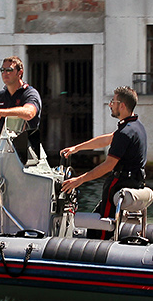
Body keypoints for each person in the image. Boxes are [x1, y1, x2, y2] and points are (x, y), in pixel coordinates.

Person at [60, 87, 147, 227]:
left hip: (119, 184)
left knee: (103, 223)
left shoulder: (125, 133)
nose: (110, 105)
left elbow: (108, 165)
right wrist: (77, 148)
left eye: (113, 101)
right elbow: (108, 139)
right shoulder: (135, 126)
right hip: (135, 180)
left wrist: (79, 180)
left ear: (122, 105)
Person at [0, 56, 42, 162]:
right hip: (1, 154)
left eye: (9, 70)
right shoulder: (0, 96)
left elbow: (29, 113)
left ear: (20, 73)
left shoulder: (30, 94)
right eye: (2, 70)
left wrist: (0, 113)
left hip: (26, 156)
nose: (5, 73)